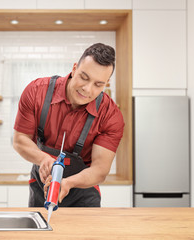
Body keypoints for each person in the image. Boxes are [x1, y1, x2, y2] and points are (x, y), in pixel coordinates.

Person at [13, 43, 124, 207]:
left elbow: (100, 170)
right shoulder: (36, 92)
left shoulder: (111, 116)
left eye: (98, 84)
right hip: (41, 187)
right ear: (74, 69)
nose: (87, 89)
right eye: (84, 77)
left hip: (83, 194)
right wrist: (43, 159)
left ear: (106, 83)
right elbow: (20, 139)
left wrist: (68, 183)